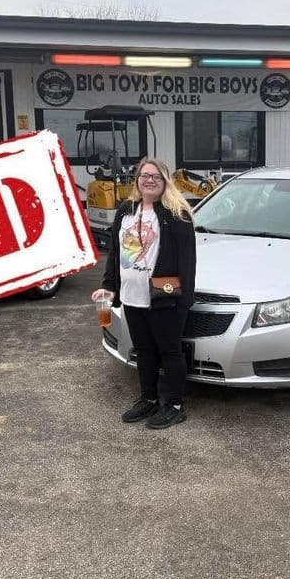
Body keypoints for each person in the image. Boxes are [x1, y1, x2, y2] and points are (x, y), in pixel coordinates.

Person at [91, 158, 196, 429]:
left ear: (165, 181)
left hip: (163, 296)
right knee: (144, 351)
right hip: (131, 295)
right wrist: (108, 286)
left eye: (156, 177)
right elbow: (115, 253)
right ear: (137, 179)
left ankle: (174, 405)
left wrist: (184, 301)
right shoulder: (126, 211)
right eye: (144, 175)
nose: (149, 180)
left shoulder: (177, 213)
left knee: (170, 351)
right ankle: (148, 399)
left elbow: (187, 261)